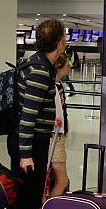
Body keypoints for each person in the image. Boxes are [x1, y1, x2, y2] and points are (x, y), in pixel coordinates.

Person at [6, 19, 66, 209]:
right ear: (60, 42)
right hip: (30, 146)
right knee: (27, 203)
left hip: (25, 142)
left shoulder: (35, 62)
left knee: (22, 201)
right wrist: (26, 155)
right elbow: (28, 116)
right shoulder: (41, 70)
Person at [48, 52, 71, 198]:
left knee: (54, 178)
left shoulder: (59, 84)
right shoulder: (51, 87)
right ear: (59, 68)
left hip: (58, 135)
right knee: (62, 180)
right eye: (67, 65)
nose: (70, 67)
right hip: (54, 137)